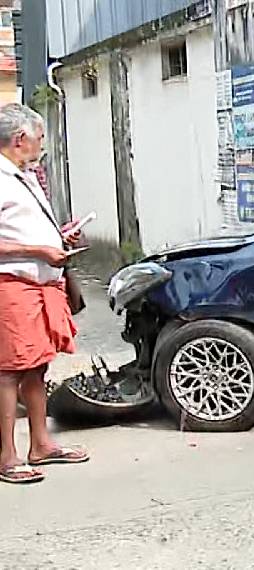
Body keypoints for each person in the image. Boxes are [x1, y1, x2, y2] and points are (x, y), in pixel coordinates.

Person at [0, 103, 89, 484]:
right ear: (20, 139)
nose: (41, 144)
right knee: (8, 371)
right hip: (12, 284)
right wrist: (38, 250)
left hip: (43, 283)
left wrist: (59, 237)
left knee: (37, 365)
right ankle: (7, 455)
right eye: (38, 137)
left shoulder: (27, 175)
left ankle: (41, 443)